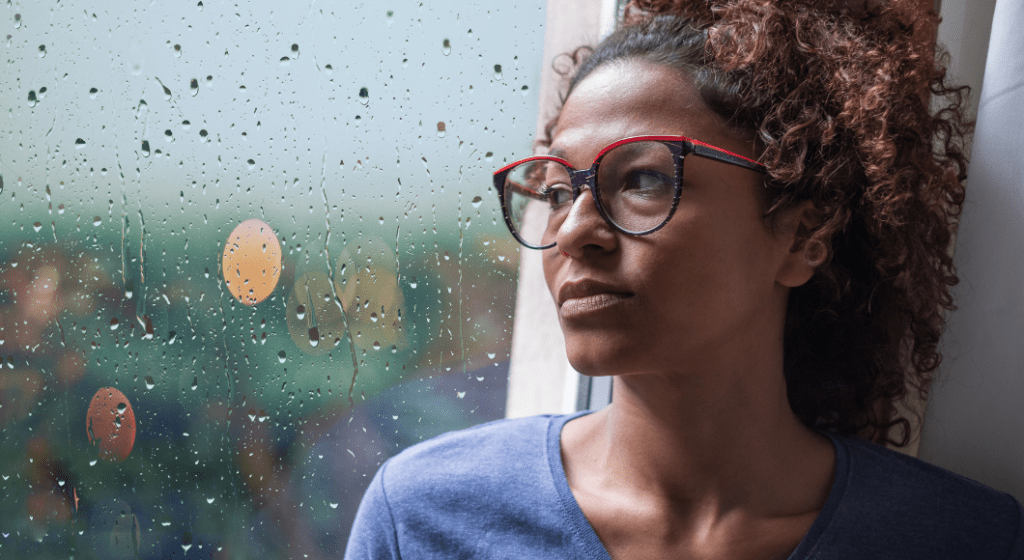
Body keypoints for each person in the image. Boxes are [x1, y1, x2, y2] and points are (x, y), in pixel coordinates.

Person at [345, 1, 1024, 558]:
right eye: (555, 192)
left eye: (642, 179)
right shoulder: (423, 520)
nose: (574, 230)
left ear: (802, 236)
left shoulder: (967, 540)